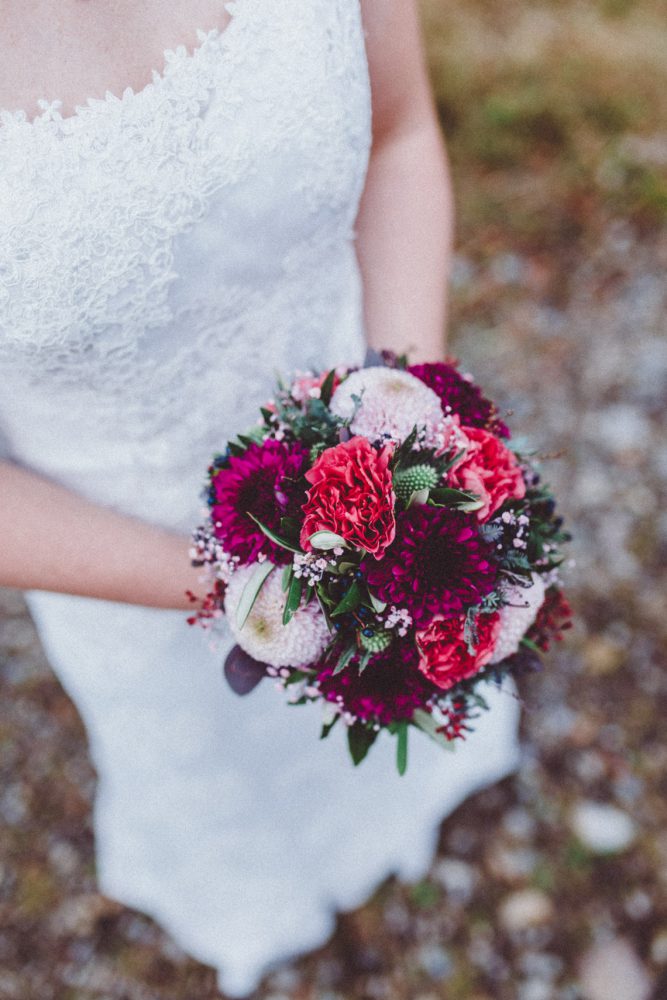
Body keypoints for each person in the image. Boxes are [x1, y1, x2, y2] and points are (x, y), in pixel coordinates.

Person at [0, 1, 519, 994]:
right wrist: (231, 590)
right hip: (126, 562)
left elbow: (400, 136)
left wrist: (408, 416)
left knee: (416, 688)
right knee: (227, 778)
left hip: (369, 426)